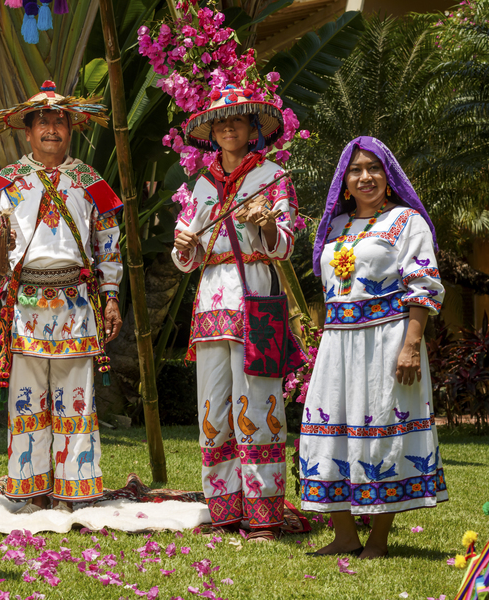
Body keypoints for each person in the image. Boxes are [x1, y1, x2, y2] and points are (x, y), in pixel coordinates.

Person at [0, 81, 122, 512]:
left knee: (76, 398)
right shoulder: (9, 182)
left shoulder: (89, 181)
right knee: (27, 400)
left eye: (60, 121)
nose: (52, 129)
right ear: (27, 131)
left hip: (77, 301)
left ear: (71, 128)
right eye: (43, 122)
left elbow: (107, 246)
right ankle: (31, 491)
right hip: (25, 303)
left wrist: (110, 297)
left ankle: (73, 493)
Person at [300, 136, 446, 559]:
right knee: (329, 434)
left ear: (389, 176)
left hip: (387, 342)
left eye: (374, 169)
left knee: (386, 433)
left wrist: (411, 345)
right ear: (343, 182)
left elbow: (424, 287)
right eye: (356, 170)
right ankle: (344, 536)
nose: (366, 177)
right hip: (337, 346)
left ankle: (378, 541)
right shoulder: (333, 227)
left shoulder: (406, 221)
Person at [171, 85, 298, 541]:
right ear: (211, 132)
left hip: (254, 298)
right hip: (210, 302)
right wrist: (183, 246)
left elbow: (285, 244)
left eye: (237, 121)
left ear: (252, 130)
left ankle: (263, 514)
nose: (228, 128)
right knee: (214, 406)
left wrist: (266, 224)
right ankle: (223, 509)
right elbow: (186, 251)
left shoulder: (273, 177)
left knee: (258, 403)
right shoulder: (201, 185)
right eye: (220, 122)